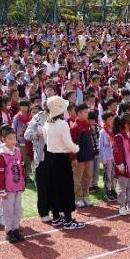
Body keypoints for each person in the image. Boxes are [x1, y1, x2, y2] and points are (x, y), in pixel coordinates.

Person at [43, 96, 84, 229]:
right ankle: (67, 220)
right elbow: (68, 143)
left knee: (54, 187)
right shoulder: (62, 124)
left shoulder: (47, 123)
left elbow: (46, 140)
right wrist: (76, 148)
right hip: (61, 158)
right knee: (65, 188)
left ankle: (56, 217)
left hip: (50, 157)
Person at [0, 127, 26, 242]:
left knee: (17, 209)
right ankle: (9, 231)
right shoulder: (1, 155)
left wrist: (23, 182)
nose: (13, 141)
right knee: (8, 210)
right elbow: (0, 174)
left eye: (14, 138)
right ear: (3, 139)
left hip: (17, 187)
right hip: (7, 188)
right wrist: (1, 189)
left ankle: (16, 229)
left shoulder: (18, 151)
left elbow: (22, 167)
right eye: (10, 138)